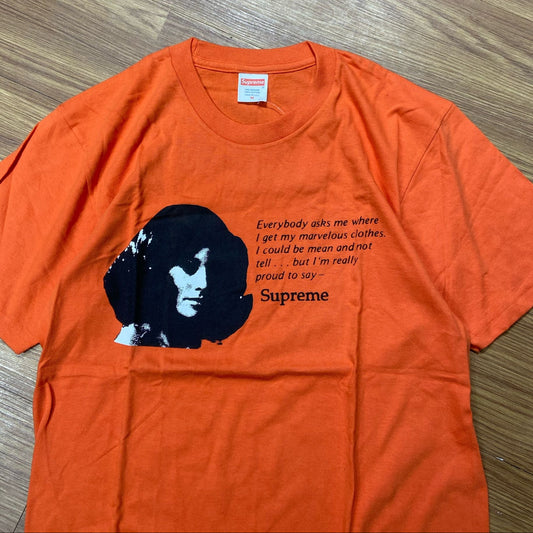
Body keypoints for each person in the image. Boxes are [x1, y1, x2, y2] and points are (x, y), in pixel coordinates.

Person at [104, 204, 253, 348]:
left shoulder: (201, 344)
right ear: (156, 269)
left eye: (214, 269)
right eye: (189, 265)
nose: (203, 283)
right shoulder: (128, 346)